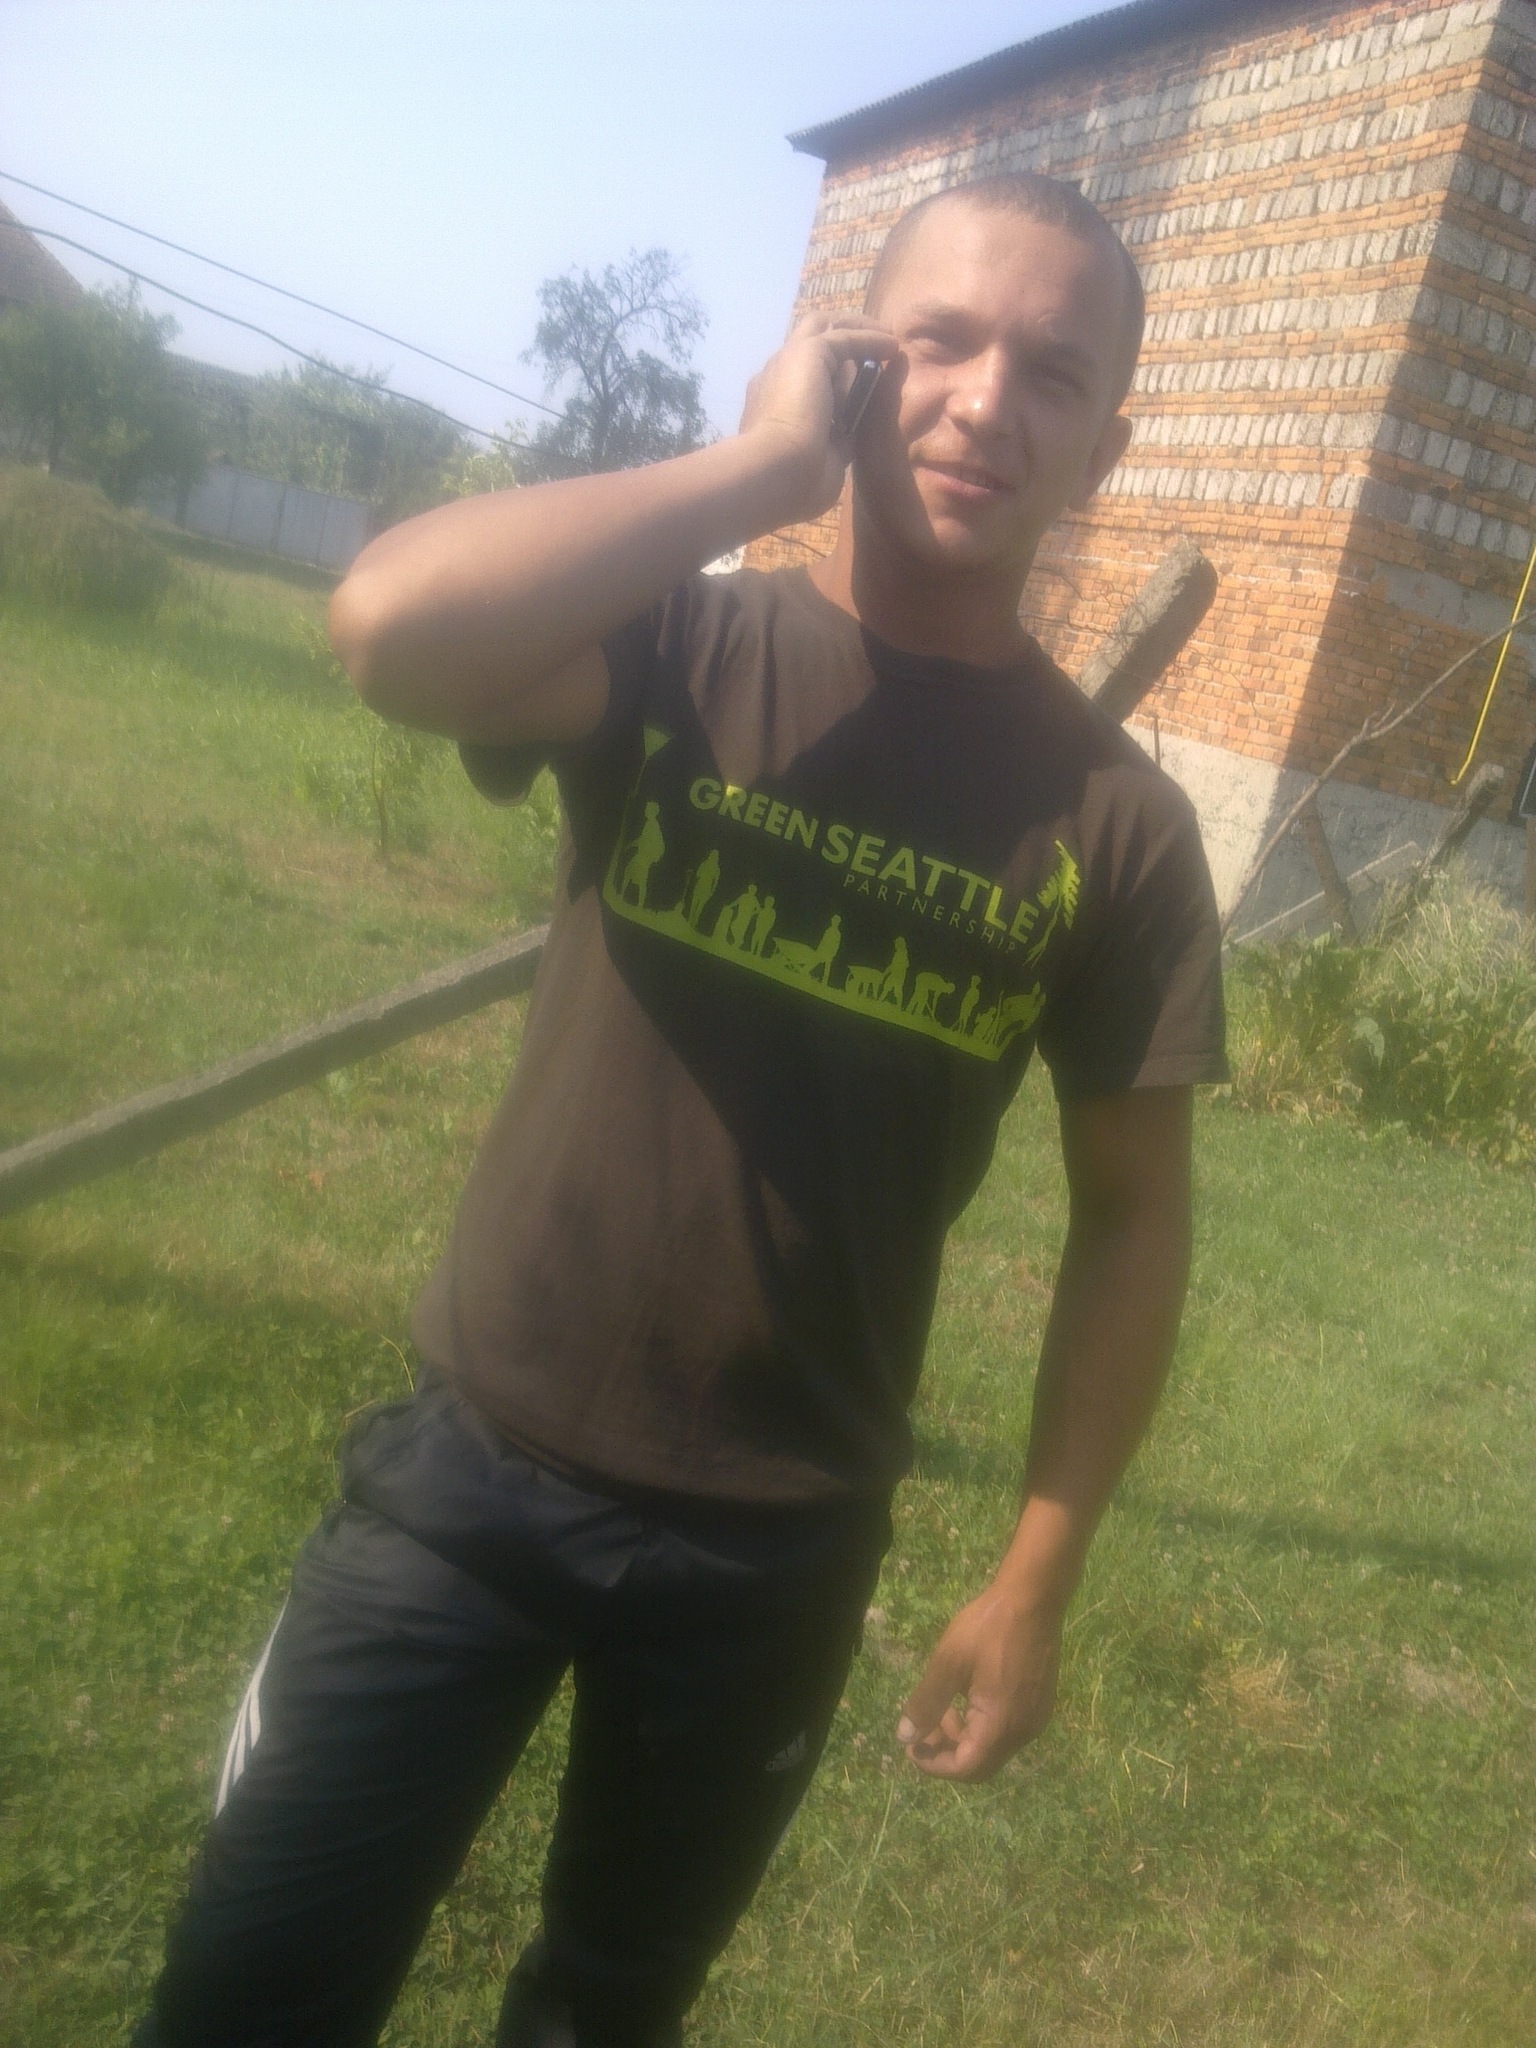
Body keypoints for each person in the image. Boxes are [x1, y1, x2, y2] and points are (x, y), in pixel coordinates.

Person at [134, 172, 1227, 2048]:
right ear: (850, 363)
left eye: (1054, 372)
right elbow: (390, 627)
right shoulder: (681, 654)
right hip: (474, 1476)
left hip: (776, 1553)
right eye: (939, 342)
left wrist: (1039, 1573)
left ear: (1103, 445)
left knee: (605, 2013)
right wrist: (757, 473)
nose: (987, 400)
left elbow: (1135, 1218)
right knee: (249, 1995)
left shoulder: (1119, 827)